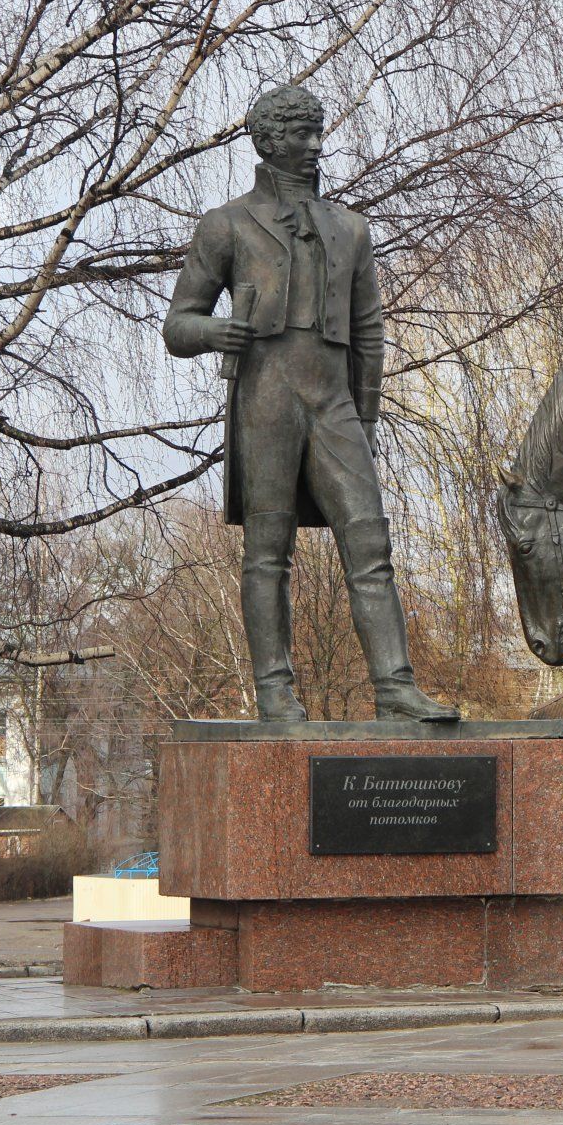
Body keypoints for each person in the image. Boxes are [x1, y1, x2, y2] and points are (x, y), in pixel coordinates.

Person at [163, 84, 459, 723]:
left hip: (333, 404)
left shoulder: (350, 229)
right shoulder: (227, 224)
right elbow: (178, 325)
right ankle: (274, 689)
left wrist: (367, 413)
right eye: (300, 134)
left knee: (370, 540)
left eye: (317, 132)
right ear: (268, 141)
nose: (314, 146)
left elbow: (370, 329)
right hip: (266, 400)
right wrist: (216, 330)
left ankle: (395, 687)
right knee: (268, 551)